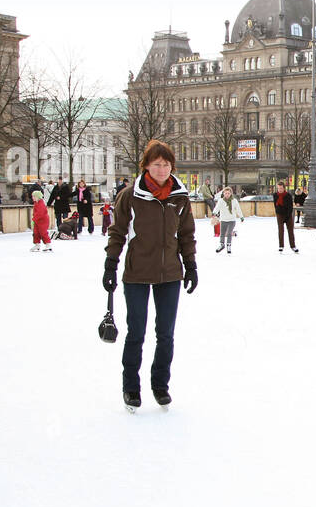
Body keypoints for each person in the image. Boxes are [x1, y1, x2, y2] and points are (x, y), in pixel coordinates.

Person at [103, 140, 198, 411]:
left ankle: (160, 385)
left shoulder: (179, 197)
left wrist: (190, 265)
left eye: (166, 164)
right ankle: (131, 388)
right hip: (137, 273)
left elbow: (187, 234)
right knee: (136, 332)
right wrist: (111, 263)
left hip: (170, 274)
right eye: (157, 164)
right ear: (146, 166)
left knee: (165, 334)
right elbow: (118, 232)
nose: (162, 169)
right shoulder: (130, 195)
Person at [212, 185, 244, 254]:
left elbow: (238, 209)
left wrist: (241, 216)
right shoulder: (221, 201)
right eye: (225, 193)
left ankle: (229, 245)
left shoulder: (234, 201)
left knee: (229, 233)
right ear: (223, 193)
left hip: (232, 220)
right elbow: (217, 207)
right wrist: (214, 212)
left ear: (231, 193)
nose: (227, 195)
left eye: (228, 193)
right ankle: (222, 244)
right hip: (223, 219)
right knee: (222, 233)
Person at [273, 181, 298, 253]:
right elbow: (275, 204)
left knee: (290, 230)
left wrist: (288, 216)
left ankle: (293, 246)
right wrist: (277, 211)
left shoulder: (288, 195)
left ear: (284, 188)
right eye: (278, 188)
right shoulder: (275, 195)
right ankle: (281, 246)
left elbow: (290, 206)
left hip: (288, 214)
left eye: (281, 188)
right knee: (280, 230)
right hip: (279, 214)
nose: (279, 190)